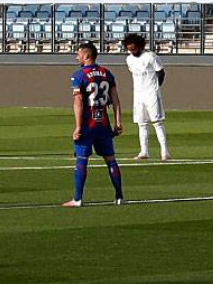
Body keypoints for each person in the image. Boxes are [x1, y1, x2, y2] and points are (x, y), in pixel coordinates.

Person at [65, 42, 124, 207]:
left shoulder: (79, 75)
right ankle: (119, 196)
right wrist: (118, 122)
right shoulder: (107, 73)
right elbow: (116, 100)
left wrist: (77, 126)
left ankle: (77, 199)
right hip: (103, 124)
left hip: (87, 125)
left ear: (86, 55)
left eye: (78, 54)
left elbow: (78, 101)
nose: (77, 57)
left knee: (82, 160)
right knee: (111, 160)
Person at [123, 33, 170, 161]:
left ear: (139, 46)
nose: (132, 51)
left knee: (157, 122)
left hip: (151, 93)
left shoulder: (150, 56)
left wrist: (156, 87)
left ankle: (165, 151)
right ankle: (144, 151)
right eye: (129, 49)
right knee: (141, 123)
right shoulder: (129, 59)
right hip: (138, 94)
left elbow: (161, 72)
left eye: (134, 49)